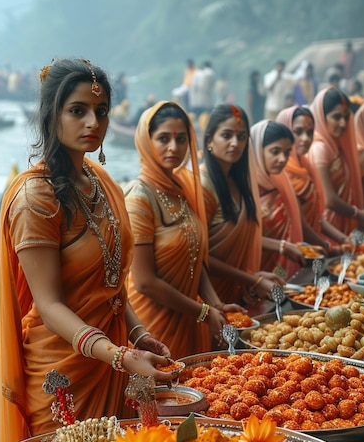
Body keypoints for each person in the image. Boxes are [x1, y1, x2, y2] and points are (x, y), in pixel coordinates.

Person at [0, 58, 172, 442]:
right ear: (51, 116)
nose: (93, 122)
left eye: (101, 111)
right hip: (63, 370)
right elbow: (49, 304)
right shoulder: (35, 199)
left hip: (113, 355)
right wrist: (120, 356)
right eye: (78, 111)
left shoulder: (101, 180)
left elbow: (111, 284)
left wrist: (140, 335)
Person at [125, 101, 242, 359]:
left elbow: (195, 257)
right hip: (154, 325)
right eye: (163, 138)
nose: (174, 148)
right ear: (147, 141)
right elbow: (144, 282)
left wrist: (214, 303)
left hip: (190, 317)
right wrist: (202, 311)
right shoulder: (139, 198)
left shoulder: (182, 188)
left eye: (181, 139)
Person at [200, 104, 283, 308]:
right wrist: (252, 279)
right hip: (209, 297)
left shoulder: (239, 181)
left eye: (242, 136)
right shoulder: (202, 184)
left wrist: (252, 276)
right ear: (210, 139)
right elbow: (199, 257)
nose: (235, 143)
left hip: (236, 289)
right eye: (226, 135)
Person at [276, 105, 349, 248]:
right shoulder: (281, 172)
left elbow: (317, 219)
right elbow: (300, 224)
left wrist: (344, 240)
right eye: (298, 132)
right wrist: (328, 246)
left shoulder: (305, 166)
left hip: (315, 245)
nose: (305, 138)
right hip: (295, 251)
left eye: (309, 133)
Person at [309, 87, 364, 235]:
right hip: (331, 229)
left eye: (346, 117)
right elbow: (329, 200)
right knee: (343, 258)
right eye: (336, 117)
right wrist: (357, 214)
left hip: (345, 222)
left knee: (353, 257)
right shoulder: (320, 149)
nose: (343, 123)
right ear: (321, 117)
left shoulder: (337, 147)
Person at [250, 120, 306, 279]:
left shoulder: (278, 181)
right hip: (254, 274)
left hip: (280, 268)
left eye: (287, 152)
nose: (283, 159)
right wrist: (282, 247)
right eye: (275, 151)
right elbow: (242, 239)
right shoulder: (243, 187)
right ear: (257, 150)